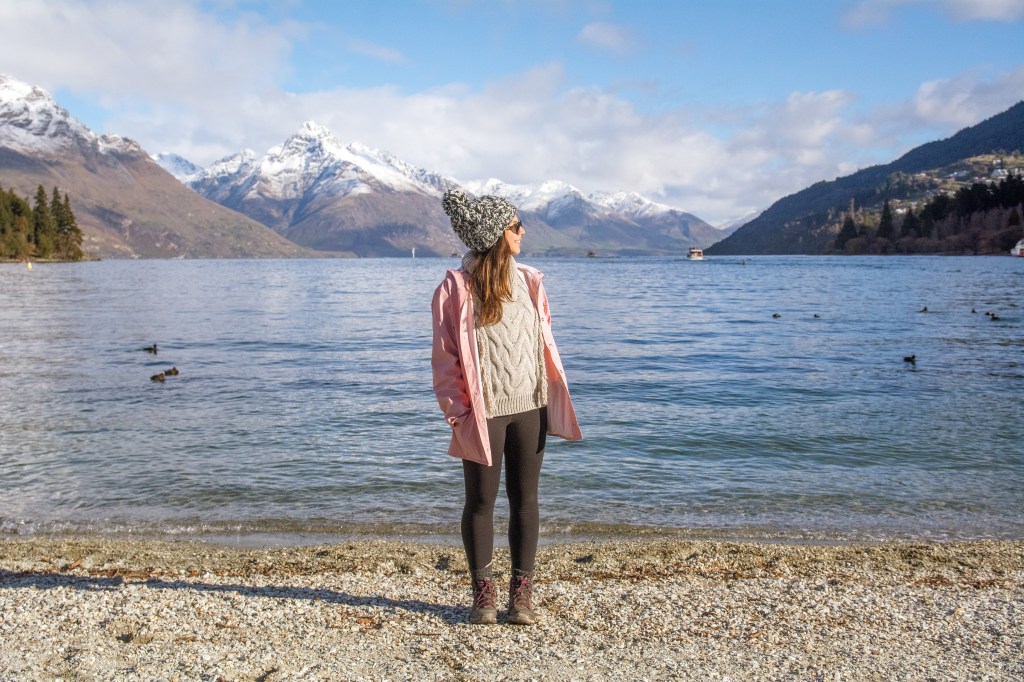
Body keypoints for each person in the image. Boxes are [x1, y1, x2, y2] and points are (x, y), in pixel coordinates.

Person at [431, 188, 582, 625]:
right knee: (480, 502)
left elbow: (542, 344)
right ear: (497, 234)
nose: (523, 231)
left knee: (526, 501)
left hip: (531, 406)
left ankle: (521, 596)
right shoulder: (455, 288)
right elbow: (445, 361)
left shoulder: (531, 281)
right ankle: (483, 596)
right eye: (516, 225)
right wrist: (458, 414)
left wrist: (553, 396)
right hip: (484, 412)